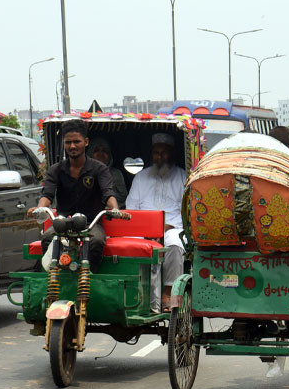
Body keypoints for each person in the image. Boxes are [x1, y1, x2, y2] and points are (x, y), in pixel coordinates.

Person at [27, 119, 119, 272]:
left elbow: (108, 193)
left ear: (86, 142)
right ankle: (53, 278)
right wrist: (39, 209)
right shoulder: (56, 170)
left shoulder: (99, 169)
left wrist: (115, 209)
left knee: (96, 241)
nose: (72, 146)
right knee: (47, 238)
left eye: (77, 141)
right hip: (63, 223)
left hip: (91, 224)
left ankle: (90, 277)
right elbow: (47, 195)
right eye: (68, 142)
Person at [126, 132, 187, 312]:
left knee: (175, 244)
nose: (160, 157)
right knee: (129, 245)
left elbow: (186, 211)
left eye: (164, 152)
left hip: (173, 227)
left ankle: (169, 291)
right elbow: (131, 209)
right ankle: (134, 293)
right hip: (142, 228)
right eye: (156, 153)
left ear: (172, 154)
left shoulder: (183, 177)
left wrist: (166, 227)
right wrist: (147, 227)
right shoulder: (141, 177)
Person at [88, 138, 129, 207]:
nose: (101, 154)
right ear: (90, 154)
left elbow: (123, 197)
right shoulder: (83, 172)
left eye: (105, 151)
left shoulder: (116, 174)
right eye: (96, 150)